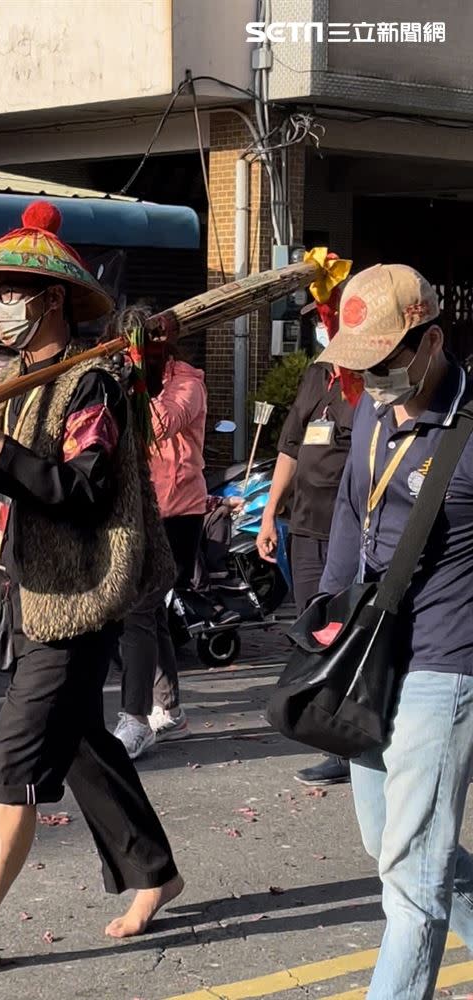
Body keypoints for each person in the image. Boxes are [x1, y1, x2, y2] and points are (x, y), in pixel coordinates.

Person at [0, 201, 182, 987]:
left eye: (12, 292)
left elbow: (82, 491)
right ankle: (153, 869)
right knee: (82, 743)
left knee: (15, 756)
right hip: (19, 593)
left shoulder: (92, 385)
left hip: (77, 595)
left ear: (50, 300)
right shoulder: (9, 383)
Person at [317, 263, 473, 999]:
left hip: (449, 660)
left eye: (381, 363)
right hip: (373, 655)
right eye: (359, 365)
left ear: (430, 341)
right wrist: (327, 605)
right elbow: (353, 511)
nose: (370, 379)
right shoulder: (375, 414)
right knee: (391, 845)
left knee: (411, 880)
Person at [256, 314, 356, 787]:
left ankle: (349, 742)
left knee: (347, 635)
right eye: (319, 322)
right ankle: (331, 735)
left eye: (327, 321)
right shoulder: (317, 375)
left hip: (350, 531)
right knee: (314, 633)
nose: (322, 330)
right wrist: (270, 511)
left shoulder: (368, 383)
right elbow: (291, 447)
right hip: (306, 529)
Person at [113, 345, 208, 759]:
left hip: (178, 512)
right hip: (140, 509)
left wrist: (130, 386)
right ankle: (169, 710)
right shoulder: (133, 383)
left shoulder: (188, 383)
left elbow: (160, 423)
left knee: (138, 608)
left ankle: (135, 718)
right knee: (151, 614)